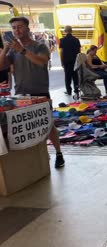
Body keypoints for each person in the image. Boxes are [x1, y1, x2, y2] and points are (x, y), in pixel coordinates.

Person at [0, 17, 65, 168]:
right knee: (27, 126)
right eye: (14, 28)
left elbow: (40, 61)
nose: (17, 30)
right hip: (21, 94)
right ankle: (38, 154)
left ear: (28, 28)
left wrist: (21, 50)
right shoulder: (13, 51)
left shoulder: (40, 46)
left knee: (48, 124)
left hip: (40, 92)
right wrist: (6, 49)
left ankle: (59, 153)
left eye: (20, 27)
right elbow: (1, 65)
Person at [59, 25, 81, 96]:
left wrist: (62, 61)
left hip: (67, 61)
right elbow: (79, 52)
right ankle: (76, 90)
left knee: (67, 77)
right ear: (71, 31)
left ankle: (69, 91)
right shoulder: (76, 40)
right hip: (75, 61)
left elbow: (61, 52)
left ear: (65, 31)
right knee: (75, 76)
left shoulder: (62, 40)